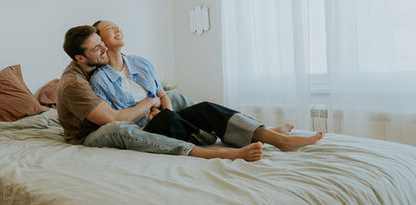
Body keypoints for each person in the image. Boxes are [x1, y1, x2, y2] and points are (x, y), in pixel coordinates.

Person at [89, 20, 325, 155]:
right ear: (99, 40)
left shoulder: (140, 62)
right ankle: (221, 136)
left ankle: (271, 136)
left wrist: (166, 110)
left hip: (165, 116)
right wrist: (152, 111)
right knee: (166, 121)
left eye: (117, 26)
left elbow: (161, 94)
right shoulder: (100, 79)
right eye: (110, 28)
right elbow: (116, 118)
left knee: (207, 108)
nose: (118, 29)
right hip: (146, 128)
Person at [56, 25, 264, 161]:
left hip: (120, 114)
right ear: (80, 58)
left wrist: (161, 108)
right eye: (97, 49)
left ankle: (257, 130)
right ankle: (210, 154)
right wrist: (151, 103)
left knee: (173, 96)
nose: (104, 49)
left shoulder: (104, 65)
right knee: (120, 129)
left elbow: (141, 94)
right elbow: (112, 118)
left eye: (101, 42)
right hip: (87, 135)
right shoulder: (73, 84)